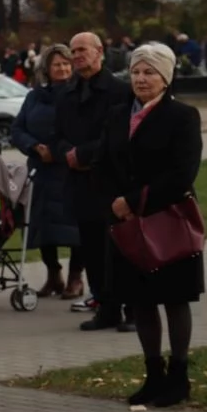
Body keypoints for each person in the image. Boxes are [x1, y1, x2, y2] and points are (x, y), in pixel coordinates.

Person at [97, 44, 203, 408]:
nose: (141, 79)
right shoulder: (116, 115)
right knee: (140, 300)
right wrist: (117, 203)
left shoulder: (182, 116)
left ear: (165, 77)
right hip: (126, 223)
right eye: (136, 72)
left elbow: (183, 173)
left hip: (167, 221)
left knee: (174, 299)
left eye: (150, 73)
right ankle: (153, 373)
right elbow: (105, 163)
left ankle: (179, 375)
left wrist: (137, 200)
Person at [54, 32, 133, 330]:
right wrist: (66, 154)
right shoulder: (66, 94)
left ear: (100, 51)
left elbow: (119, 135)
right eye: (73, 51)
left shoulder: (119, 91)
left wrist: (85, 154)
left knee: (120, 248)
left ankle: (133, 309)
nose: (76, 56)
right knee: (92, 249)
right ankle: (106, 307)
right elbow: (57, 134)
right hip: (81, 185)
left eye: (82, 49)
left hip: (112, 181)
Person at [11, 44, 84, 300]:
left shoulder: (80, 94)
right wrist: (34, 146)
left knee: (76, 227)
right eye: (57, 64)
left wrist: (61, 150)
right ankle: (54, 275)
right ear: (47, 69)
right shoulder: (34, 97)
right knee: (42, 227)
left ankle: (76, 277)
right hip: (40, 171)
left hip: (71, 169)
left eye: (66, 63)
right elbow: (17, 129)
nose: (62, 68)